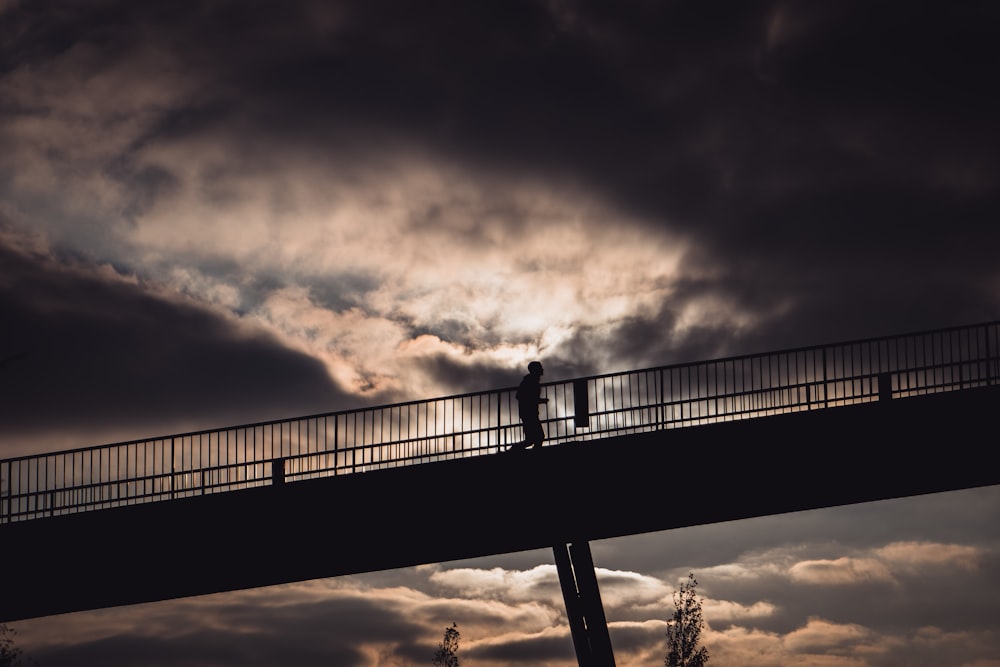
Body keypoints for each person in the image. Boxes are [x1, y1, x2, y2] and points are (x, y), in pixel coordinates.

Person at [512, 361, 549, 451]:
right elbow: (521, 396)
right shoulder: (529, 381)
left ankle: (515, 449)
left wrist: (538, 401)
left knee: (534, 438)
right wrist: (539, 401)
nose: (542, 370)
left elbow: (526, 397)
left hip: (529, 413)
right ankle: (514, 450)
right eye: (540, 368)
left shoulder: (531, 381)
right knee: (537, 437)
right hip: (528, 413)